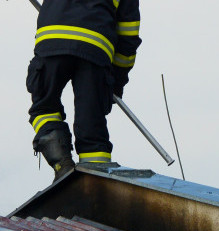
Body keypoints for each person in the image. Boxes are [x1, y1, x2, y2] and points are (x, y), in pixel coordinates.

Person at [26, 0, 141, 182]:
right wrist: (116, 81)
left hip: (53, 41)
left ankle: (61, 165)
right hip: (96, 49)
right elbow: (128, 35)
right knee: (92, 128)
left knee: (44, 108)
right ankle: (94, 182)